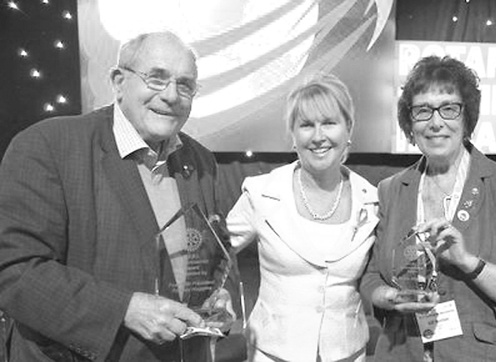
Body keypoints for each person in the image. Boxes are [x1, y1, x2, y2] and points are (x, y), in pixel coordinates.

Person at [0, 31, 239, 361]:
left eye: (185, 84)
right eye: (156, 78)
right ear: (118, 81)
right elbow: (15, 270)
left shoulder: (201, 161)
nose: (171, 95)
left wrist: (213, 297)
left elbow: (211, 254)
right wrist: (124, 309)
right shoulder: (48, 146)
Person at [360, 56, 496, 362]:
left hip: (480, 354)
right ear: (410, 124)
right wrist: (391, 298)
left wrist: (469, 263)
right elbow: (372, 277)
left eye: (449, 108)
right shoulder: (391, 189)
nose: (436, 122)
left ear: (467, 118)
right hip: (403, 352)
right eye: (423, 110)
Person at [226, 73, 378, 361]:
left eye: (329, 123)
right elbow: (211, 254)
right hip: (272, 354)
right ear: (293, 135)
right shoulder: (261, 194)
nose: (318, 136)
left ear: (349, 129)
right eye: (307, 125)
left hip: (348, 354)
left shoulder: (373, 200)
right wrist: (221, 298)